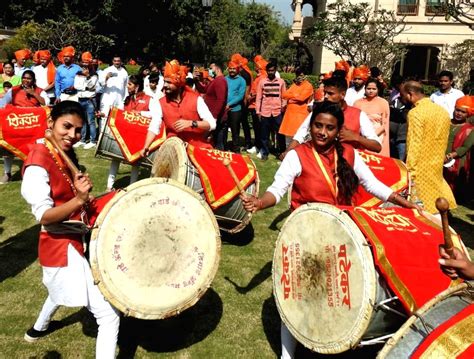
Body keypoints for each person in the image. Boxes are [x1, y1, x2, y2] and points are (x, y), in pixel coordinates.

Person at [240, 101, 421, 359]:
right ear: (311, 125)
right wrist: (259, 202)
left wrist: (403, 201)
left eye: (329, 128)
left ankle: (332, 336)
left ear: (339, 131)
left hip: (343, 233)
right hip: (305, 234)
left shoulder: (348, 152)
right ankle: (287, 355)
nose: (322, 132)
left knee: (339, 292)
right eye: (318, 125)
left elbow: (371, 184)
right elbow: (278, 190)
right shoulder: (297, 154)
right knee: (296, 298)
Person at [20, 101, 119, 358]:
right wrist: (79, 200)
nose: (72, 136)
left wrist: (78, 190)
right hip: (59, 247)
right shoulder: (37, 161)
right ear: (51, 122)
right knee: (108, 315)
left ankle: (37, 329)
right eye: (67, 127)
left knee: (59, 290)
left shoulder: (57, 153)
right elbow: (43, 215)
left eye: (78, 130)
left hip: (70, 240)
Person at [281, 76, 382, 160]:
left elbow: (377, 146)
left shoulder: (358, 115)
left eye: (330, 93)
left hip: (347, 168)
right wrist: (287, 152)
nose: (325, 96)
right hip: (319, 165)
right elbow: (301, 134)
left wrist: (356, 137)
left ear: (342, 94)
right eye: (325, 92)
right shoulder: (318, 112)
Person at [400, 80, 456, 214]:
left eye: (403, 96)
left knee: (419, 211)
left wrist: (409, 172)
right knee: (436, 204)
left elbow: (414, 143)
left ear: (410, 94)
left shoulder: (416, 113)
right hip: (436, 165)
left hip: (419, 169)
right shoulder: (443, 112)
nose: (402, 99)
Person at [141, 60, 216, 157]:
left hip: (197, 149)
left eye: (169, 82)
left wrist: (191, 123)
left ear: (178, 84)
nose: (165, 85)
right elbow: (154, 126)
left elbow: (212, 124)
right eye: (164, 82)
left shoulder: (196, 99)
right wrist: (146, 146)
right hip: (173, 150)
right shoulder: (161, 102)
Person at [0, 70, 50, 184]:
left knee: (38, 149)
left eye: (29, 78)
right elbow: (2, 104)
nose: (26, 80)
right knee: (8, 148)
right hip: (17, 125)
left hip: (34, 126)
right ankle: (7, 173)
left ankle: (39, 171)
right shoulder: (14, 90)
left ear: (34, 81)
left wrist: (33, 94)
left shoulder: (39, 91)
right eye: (24, 78)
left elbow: (46, 104)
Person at [107, 75, 152, 191]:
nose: (127, 86)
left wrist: (140, 113)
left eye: (130, 84)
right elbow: (120, 112)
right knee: (115, 157)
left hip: (138, 135)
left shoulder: (149, 99)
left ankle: (132, 187)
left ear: (137, 86)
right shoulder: (127, 98)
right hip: (124, 133)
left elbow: (154, 115)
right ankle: (109, 186)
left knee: (135, 161)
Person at [443, 95, 474, 201]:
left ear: (468, 114)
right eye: (457, 110)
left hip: (455, 160)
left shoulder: (470, 129)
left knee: (451, 185)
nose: (459, 113)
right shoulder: (445, 122)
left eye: (463, 112)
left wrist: (449, 156)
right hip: (438, 155)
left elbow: (465, 147)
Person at [256, 62, 287, 160]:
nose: (270, 72)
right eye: (269, 71)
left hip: (277, 112)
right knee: (264, 135)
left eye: (272, 70)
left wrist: (283, 107)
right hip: (265, 112)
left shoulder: (281, 82)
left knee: (280, 134)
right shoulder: (262, 82)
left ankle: (281, 152)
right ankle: (265, 152)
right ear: (266, 71)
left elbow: (284, 97)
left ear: (275, 70)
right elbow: (259, 98)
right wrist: (258, 111)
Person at [354, 78, 391, 156]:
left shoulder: (383, 103)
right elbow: (354, 121)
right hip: (361, 137)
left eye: (374, 89)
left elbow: (385, 123)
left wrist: (373, 135)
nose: (371, 91)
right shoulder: (357, 103)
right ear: (365, 89)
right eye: (369, 88)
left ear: (378, 89)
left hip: (378, 136)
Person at [279, 68, 314, 146]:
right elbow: (284, 95)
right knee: (288, 138)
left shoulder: (308, 86)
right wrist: (295, 96)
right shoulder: (294, 85)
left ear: (305, 76)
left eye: (301, 75)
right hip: (289, 116)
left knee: (298, 138)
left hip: (300, 116)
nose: (299, 77)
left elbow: (301, 98)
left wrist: (290, 99)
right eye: (298, 75)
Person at [74, 53, 99, 149]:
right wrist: (85, 87)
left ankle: (92, 141)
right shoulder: (78, 73)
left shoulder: (94, 74)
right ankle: (82, 140)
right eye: (83, 62)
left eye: (86, 62)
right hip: (80, 99)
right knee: (82, 121)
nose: (84, 64)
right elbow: (76, 86)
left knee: (91, 121)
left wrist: (88, 77)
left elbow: (92, 86)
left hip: (90, 100)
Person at [204, 62, 228, 150]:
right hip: (214, 116)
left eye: (211, 68)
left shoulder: (220, 80)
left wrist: (214, 116)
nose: (209, 70)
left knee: (219, 145)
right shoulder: (215, 80)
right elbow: (204, 89)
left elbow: (220, 100)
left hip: (217, 118)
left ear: (217, 69)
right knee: (214, 142)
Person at [225, 61, 247, 152]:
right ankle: (223, 146)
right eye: (230, 68)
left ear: (237, 69)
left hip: (235, 109)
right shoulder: (224, 79)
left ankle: (236, 148)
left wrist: (229, 104)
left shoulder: (242, 80)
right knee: (224, 129)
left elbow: (240, 96)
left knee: (235, 130)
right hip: (224, 109)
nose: (232, 70)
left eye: (234, 68)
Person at [388, 75, 409, 160]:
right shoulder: (395, 100)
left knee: (401, 163)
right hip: (392, 138)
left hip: (402, 139)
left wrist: (396, 111)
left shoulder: (410, 106)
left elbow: (404, 116)